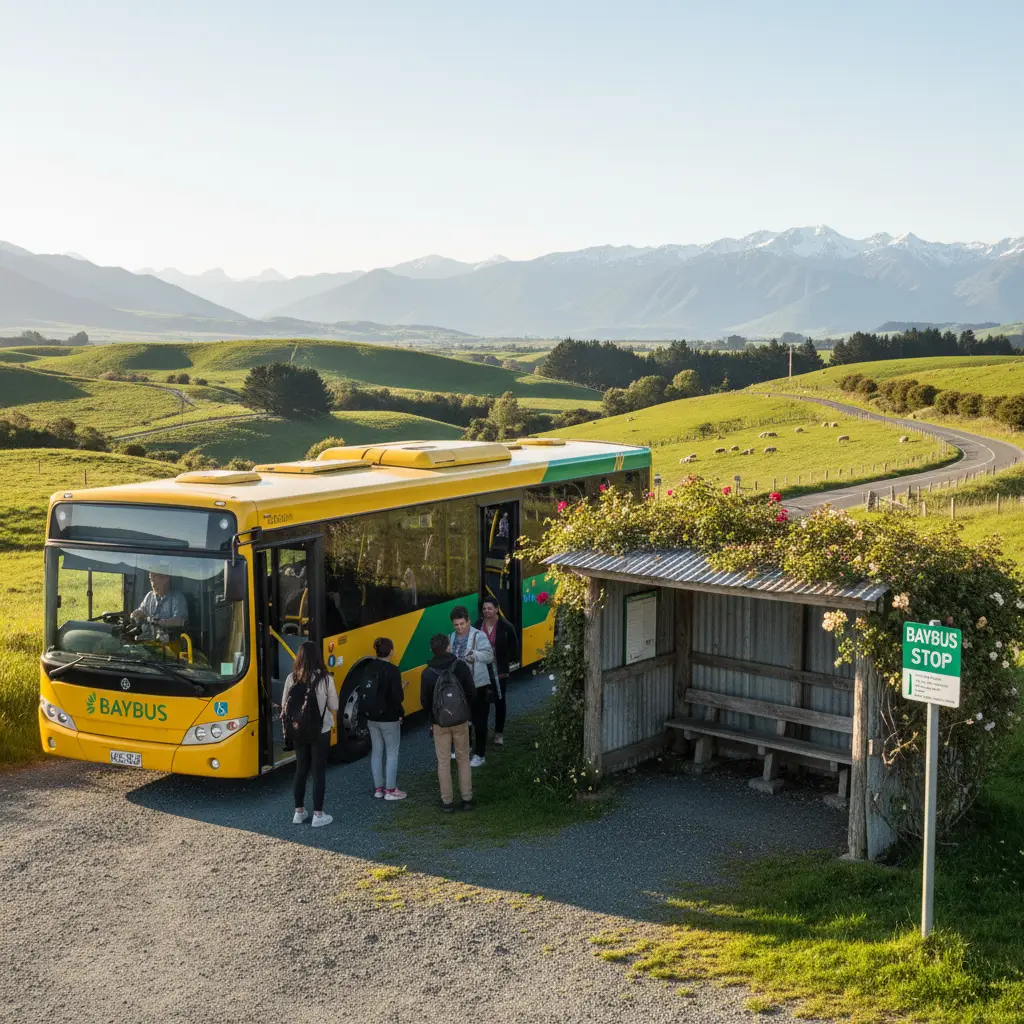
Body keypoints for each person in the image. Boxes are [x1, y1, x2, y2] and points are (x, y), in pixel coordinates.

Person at [280, 641, 338, 827]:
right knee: (318, 772)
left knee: (301, 770)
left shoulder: (291, 678)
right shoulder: (325, 679)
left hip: (298, 731)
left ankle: (298, 812)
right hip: (320, 731)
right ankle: (318, 815)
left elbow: (284, 706)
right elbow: (334, 706)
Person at [420, 633, 476, 811]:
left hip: (440, 723)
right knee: (463, 758)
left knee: (443, 761)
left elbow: (424, 702)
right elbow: (471, 693)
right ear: (449, 647)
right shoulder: (460, 667)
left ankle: (447, 802)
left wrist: (433, 718)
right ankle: (467, 798)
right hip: (461, 720)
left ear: (431, 650)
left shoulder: (427, 673)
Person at [449, 605, 494, 767]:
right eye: (456, 625)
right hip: (459, 686)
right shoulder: (452, 637)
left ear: (468, 621)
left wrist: (475, 655)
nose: (459, 628)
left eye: (462, 624)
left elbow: (489, 656)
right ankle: (465, 748)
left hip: (478, 684)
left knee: (479, 720)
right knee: (463, 720)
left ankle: (480, 754)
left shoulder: (479, 635)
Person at [364, 637, 407, 801]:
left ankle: (378, 788)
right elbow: (397, 697)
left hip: (371, 717)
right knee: (392, 752)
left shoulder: (368, 667)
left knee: (376, 751)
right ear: (391, 651)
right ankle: (390, 790)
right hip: (389, 717)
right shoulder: (393, 670)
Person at [475, 597, 518, 747]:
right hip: (481, 670)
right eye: (484, 609)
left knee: (500, 701)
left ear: (496, 609)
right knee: (482, 702)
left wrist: (506, 664)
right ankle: (483, 732)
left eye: (490, 608)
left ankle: (499, 733)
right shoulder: (477, 625)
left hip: (499, 671)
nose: (487, 611)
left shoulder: (506, 627)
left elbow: (513, 648)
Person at [130, 570, 188, 641]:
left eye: (155, 581)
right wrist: (135, 614)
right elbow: (141, 610)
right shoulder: (149, 596)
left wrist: (159, 622)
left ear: (166, 579)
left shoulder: (177, 597)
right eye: (151, 580)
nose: (153, 585)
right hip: (149, 640)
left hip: (170, 644)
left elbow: (180, 621)